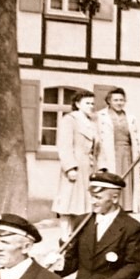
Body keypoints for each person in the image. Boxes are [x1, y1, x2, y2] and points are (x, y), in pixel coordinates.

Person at [52, 90, 98, 240]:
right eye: (87, 103)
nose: (91, 106)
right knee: (68, 203)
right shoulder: (70, 119)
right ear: (77, 104)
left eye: (92, 103)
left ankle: (78, 236)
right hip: (75, 166)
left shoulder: (92, 122)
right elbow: (64, 145)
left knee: (84, 203)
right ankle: (65, 237)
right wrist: (70, 167)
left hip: (88, 166)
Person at [95, 88, 140, 213]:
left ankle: (127, 208)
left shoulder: (131, 117)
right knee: (112, 180)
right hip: (109, 154)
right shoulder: (100, 116)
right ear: (109, 101)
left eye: (121, 100)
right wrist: (101, 163)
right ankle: (111, 208)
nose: (119, 103)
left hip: (128, 153)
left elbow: (138, 140)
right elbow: (97, 140)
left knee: (128, 180)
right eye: (115, 100)